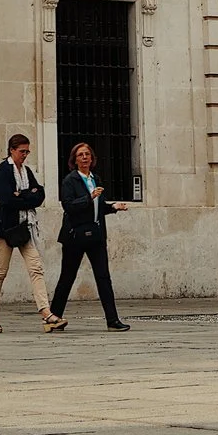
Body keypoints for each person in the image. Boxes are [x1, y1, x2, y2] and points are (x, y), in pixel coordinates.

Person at [0, 133, 65, 333]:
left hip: (25, 227)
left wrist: (23, 195)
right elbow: (5, 198)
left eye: (27, 151)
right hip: (6, 228)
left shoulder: (26, 171)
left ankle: (46, 313)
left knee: (36, 267)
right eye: (22, 151)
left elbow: (40, 193)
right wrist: (27, 196)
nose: (25, 155)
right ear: (12, 150)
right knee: (0, 272)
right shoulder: (4, 170)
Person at [50, 141, 131, 331]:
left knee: (103, 277)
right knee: (67, 277)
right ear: (74, 160)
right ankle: (54, 318)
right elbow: (69, 206)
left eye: (87, 154)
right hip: (75, 236)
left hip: (96, 235)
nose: (85, 158)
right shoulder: (70, 181)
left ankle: (112, 320)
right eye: (80, 155)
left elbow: (98, 208)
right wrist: (90, 197)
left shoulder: (96, 179)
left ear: (92, 158)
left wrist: (112, 207)